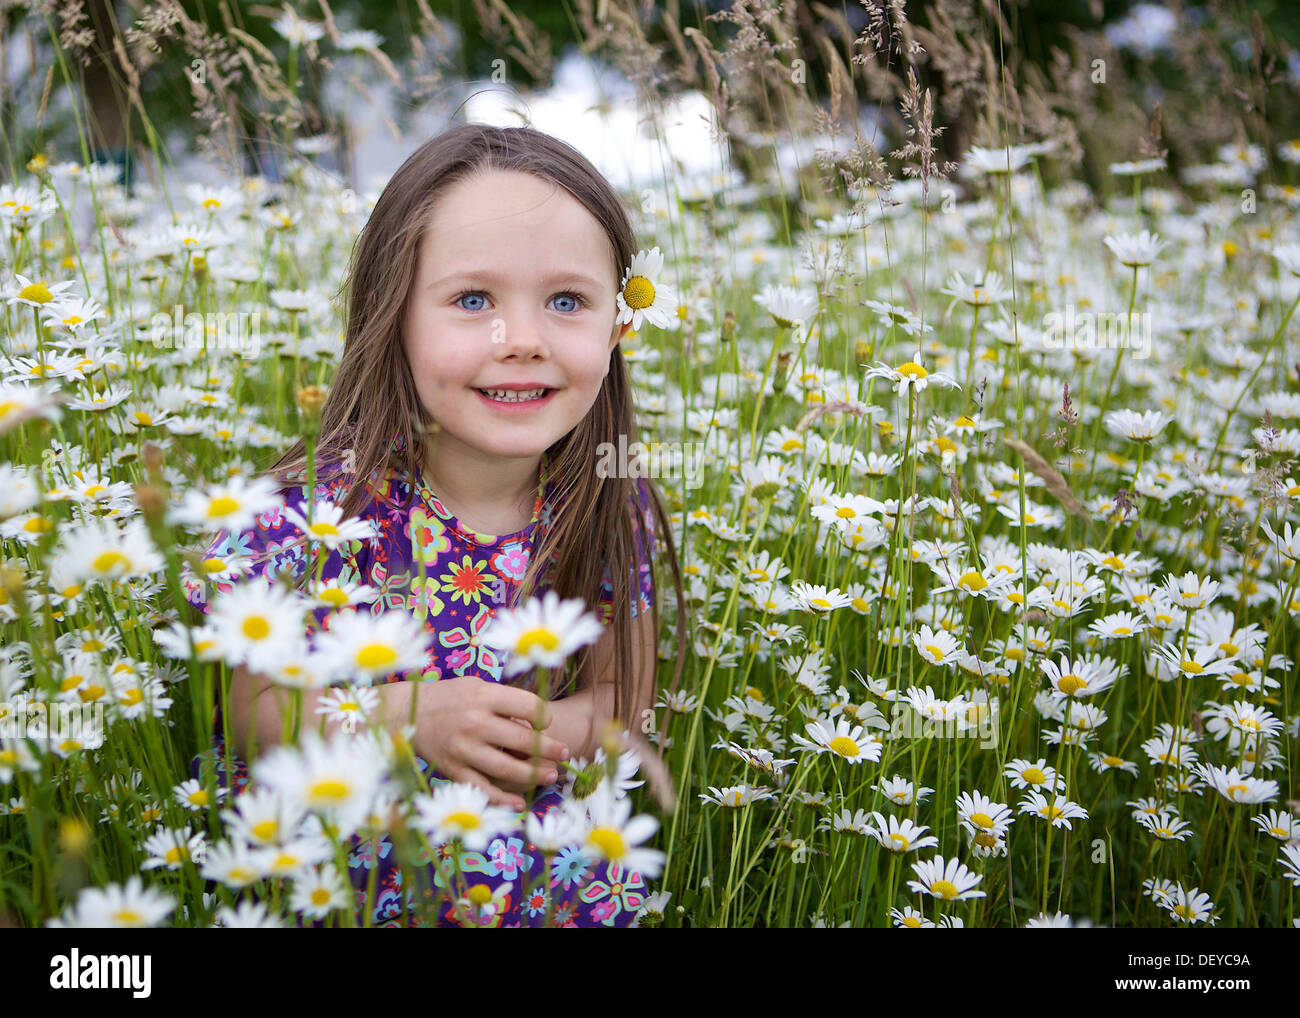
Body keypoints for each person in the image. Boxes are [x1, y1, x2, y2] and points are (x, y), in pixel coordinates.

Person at [182, 123, 687, 927]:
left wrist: (555, 729)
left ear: (618, 325)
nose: (520, 340)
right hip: (339, 891)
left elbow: (626, 693)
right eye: (473, 300)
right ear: (395, 315)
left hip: (544, 896)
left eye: (567, 301)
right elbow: (254, 713)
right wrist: (410, 720)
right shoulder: (312, 516)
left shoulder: (605, 503)